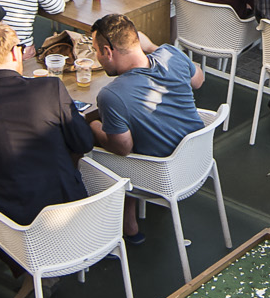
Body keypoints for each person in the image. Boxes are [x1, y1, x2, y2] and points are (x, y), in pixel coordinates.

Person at [0, 22, 95, 298]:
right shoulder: (50, 88)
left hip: (14, 212)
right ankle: (37, 271)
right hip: (71, 206)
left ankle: (26, 270)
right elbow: (83, 141)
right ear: (16, 54)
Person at [88, 13, 205, 239]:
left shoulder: (112, 95)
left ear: (108, 52)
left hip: (161, 175)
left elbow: (122, 149)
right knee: (132, 127)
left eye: (96, 51)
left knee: (94, 140)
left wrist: (92, 125)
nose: (97, 56)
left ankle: (108, 227)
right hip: (198, 160)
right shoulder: (170, 53)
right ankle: (129, 219)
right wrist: (151, 46)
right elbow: (198, 80)